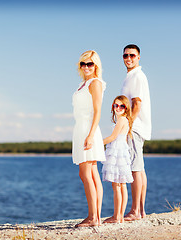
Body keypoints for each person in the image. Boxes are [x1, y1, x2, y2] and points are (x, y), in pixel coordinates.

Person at [72, 50, 106, 227]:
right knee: (91, 174)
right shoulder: (83, 84)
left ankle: (93, 217)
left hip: (88, 129)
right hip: (80, 129)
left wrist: (91, 135)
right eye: (83, 64)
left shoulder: (95, 83)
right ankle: (96, 216)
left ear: (96, 66)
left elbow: (98, 110)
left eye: (90, 64)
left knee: (86, 174)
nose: (86, 67)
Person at [121, 44, 152, 221]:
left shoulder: (137, 76)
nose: (129, 58)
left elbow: (137, 104)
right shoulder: (130, 77)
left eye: (132, 55)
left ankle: (135, 211)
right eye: (125, 55)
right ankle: (140, 210)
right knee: (139, 168)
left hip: (135, 128)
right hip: (136, 127)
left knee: (135, 168)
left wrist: (128, 126)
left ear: (138, 57)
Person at [101, 95, 134, 224]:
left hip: (117, 152)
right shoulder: (124, 120)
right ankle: (119, 216)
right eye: (116, 105)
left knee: (117, 185)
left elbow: (113, 137)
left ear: (126, 108)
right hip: (122, 152)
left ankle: (117, 216)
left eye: (121, 106)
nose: (118, 108)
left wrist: (98, 143)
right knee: (122, 185)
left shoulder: (121, 121)